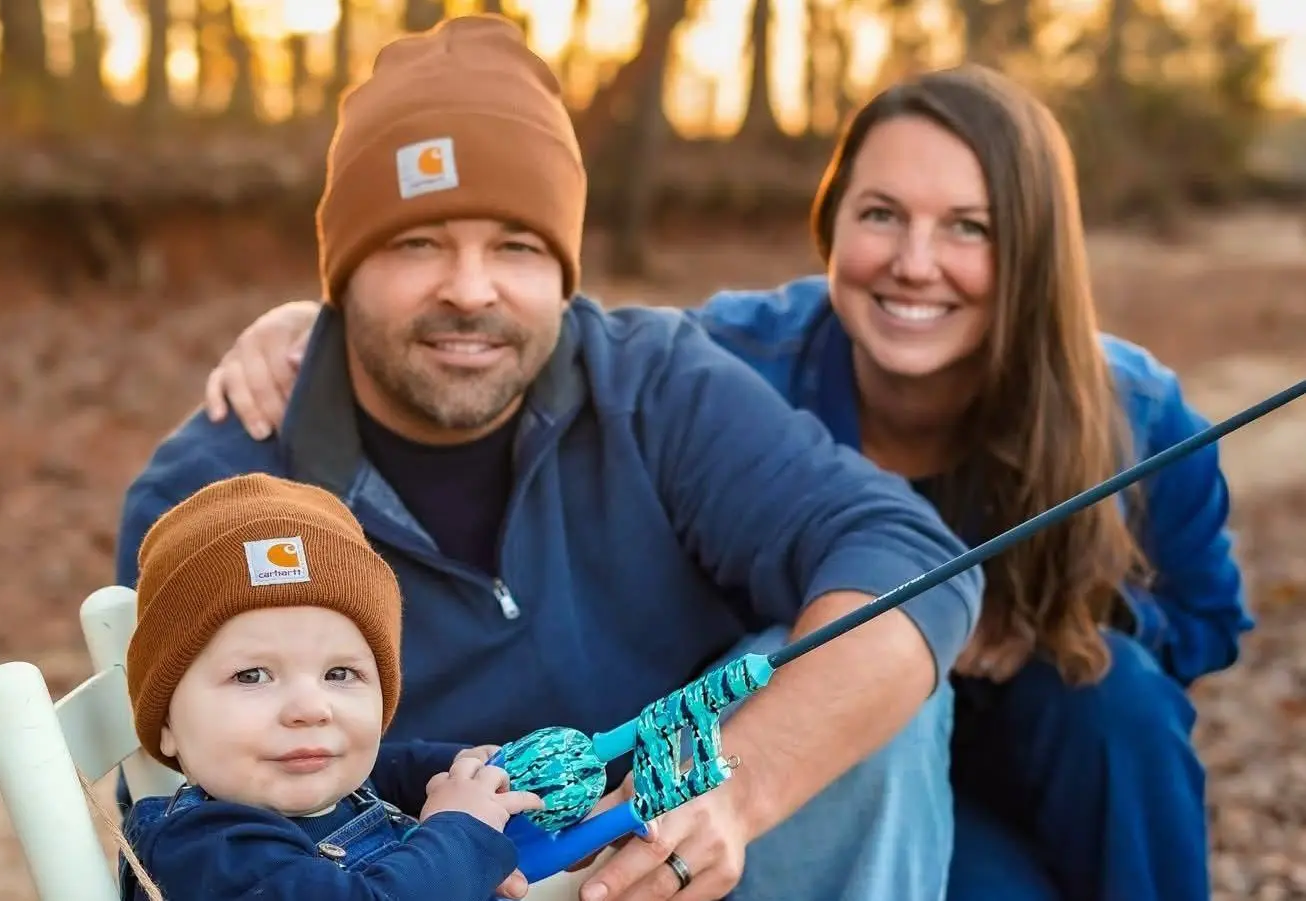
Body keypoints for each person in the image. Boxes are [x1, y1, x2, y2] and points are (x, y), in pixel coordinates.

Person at [203, 63, 1252, 901]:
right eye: (881, 215)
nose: (914, 261)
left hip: (1035, 732)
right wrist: (327, 325)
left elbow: (1208, 626)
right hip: (833, 757)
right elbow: (544, 338)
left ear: (1033, 251)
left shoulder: (1135, 410)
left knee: (1115, 691)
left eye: (968, 228)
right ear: (831, 222)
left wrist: (1028, 636)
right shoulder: (740, 360)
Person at [116, 15, 985, 901]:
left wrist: (740, 788)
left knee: (867, 668)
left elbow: (910, 559)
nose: (470, 289)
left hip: (698, 870)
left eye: (517, 246)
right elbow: (186, 823)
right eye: (417, 242)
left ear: (565, 274)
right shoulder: (213, 501)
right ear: (341, 274)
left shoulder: (653, 382)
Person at [118, 472, 545, 901]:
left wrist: (469, 770)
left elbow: (396, 768)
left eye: (339, 674)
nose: (310, 708)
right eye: (251, 675)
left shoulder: (339, 783)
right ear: (167, 723)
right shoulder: (209, 854)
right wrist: (463, 835)